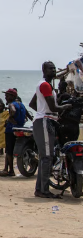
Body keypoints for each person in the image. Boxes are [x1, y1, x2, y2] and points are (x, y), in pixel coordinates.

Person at [29, 61, 72, 199]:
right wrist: (65, 107)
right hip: (45, 122)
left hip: (45, 120)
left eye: (54, 69)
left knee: (45, 157)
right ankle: (44, 191)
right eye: (50, 69)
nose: (53, 71)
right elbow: (53, 107)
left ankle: (40, 189)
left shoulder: (45, 86)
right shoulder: (45, 85)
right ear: (44, 70)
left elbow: (32, 103)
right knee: (47, 157)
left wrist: (44, 112)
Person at [0, 89, 27, 177]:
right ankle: (6, 169)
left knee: (9, 151)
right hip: (19, 128)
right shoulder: (22, 104)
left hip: (10, 129)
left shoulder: (12, 104)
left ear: (12, 96)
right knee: (9, 150)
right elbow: (27, 115)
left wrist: (9, 119)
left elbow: (13, 110)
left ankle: (10, 170)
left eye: (7, 96)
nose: (5, 97)